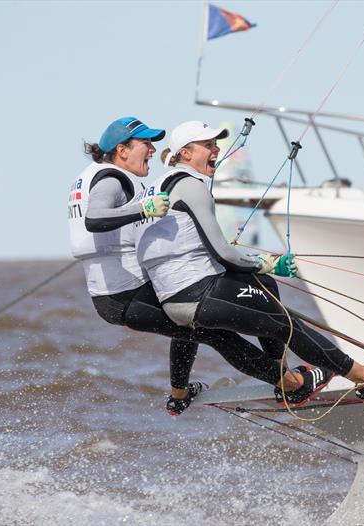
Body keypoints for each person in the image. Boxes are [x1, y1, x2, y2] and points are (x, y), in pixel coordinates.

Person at [134, 120, 364, 404]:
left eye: (216, 144)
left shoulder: (155, 187)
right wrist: (267, 262)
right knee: (283, 324)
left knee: (259, 292)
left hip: (173, 300)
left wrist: (257, 270)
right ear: (187, 153)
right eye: (208, 145)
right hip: (197, 290)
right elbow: (223, 251)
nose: (216, 150)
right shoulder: (191, 186)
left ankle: (285, 379)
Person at [69, 116, 315, 415]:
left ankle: (179, 394)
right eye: (145, 143)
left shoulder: (95, 175)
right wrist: (143, 208)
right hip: (123, 295)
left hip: (116, 293)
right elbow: (94, 220)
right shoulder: (112, 178)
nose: (151, 149)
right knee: (212, 331)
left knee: (193, 323)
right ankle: (289, 384)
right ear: (122, 150)